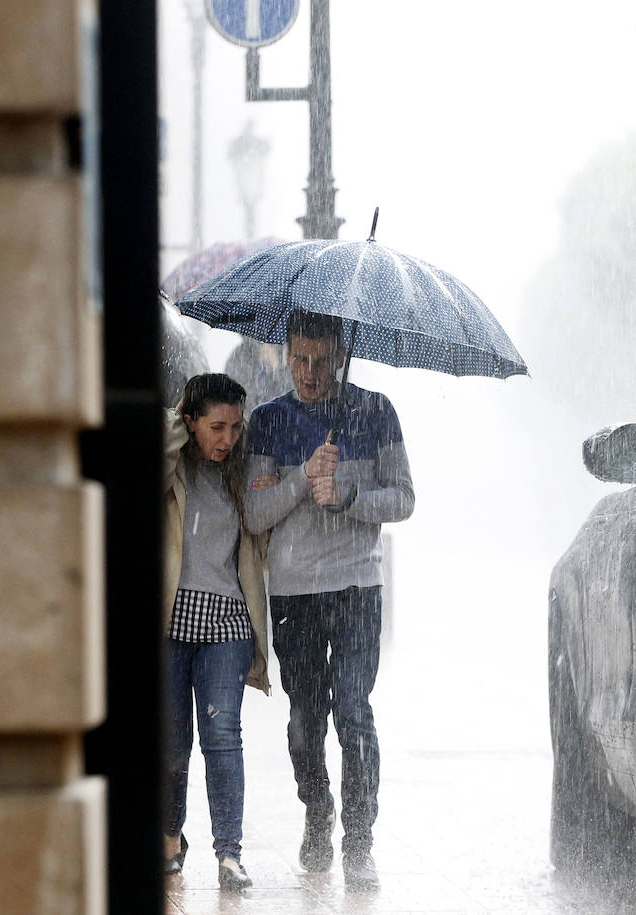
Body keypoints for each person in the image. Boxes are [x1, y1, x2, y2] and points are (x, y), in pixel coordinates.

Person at [244, 310, 415, 890]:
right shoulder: (268, 421)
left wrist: (347, 494)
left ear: (342, 356)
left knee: (354, 711)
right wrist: (301, 478)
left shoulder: (376, 411)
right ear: (286, 355)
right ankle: (318, 809)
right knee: (304, 720)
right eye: (299, 359)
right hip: (294, 593)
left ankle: (359, 841)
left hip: (357, 586)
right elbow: (255, 513)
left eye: (321, 360)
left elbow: (404, 498)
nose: (310, 372)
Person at [161, 373, 270, 891]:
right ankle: (168, 839)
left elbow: (261, 529)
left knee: (222, 735)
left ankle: (229, 854)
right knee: (171, 743)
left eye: (235, 426)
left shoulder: (241, 471)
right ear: (190, 423)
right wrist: (176, 423)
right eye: (216, 427)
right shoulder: (173, 469)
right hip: (170, 625)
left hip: (227, 624)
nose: (228, 438)